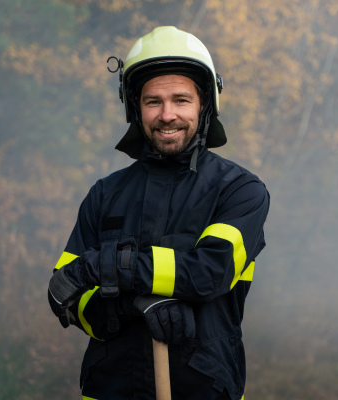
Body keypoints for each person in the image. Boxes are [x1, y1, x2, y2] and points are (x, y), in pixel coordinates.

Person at [47, 26, 270, 400]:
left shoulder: (239, 191)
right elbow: (65, 296)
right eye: (153, 102)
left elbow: (208, 273)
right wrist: (126, 306)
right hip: (109, 390)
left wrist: (109, 267)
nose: (167, 115)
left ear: (205, 104)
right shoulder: (105, 194)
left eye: (181, 100)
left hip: (205, 389)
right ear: (136, 109)